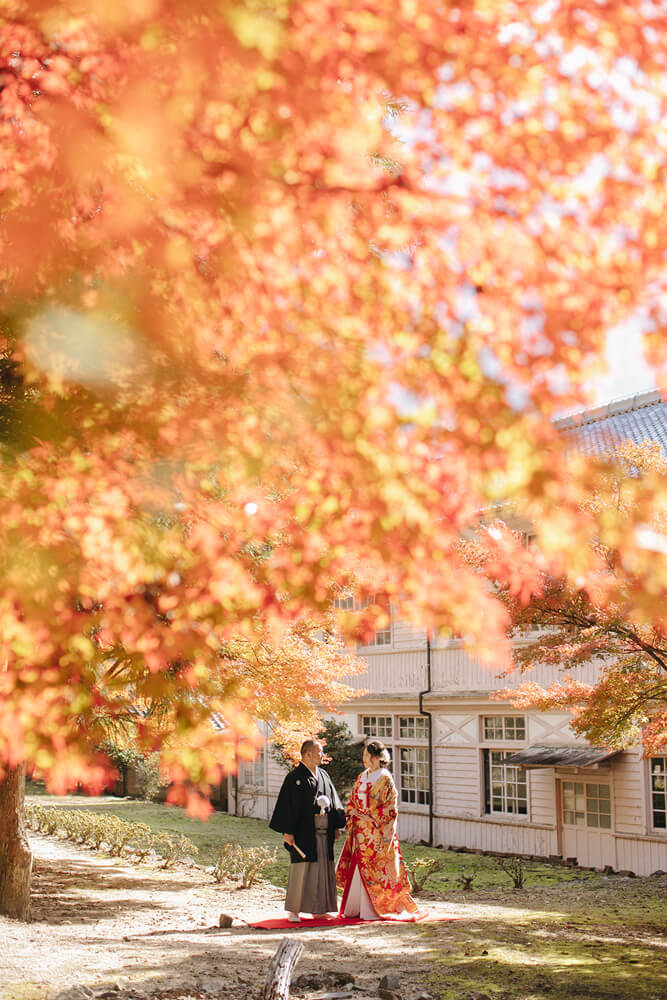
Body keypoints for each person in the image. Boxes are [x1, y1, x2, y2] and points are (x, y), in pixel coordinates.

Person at [336, 740, 419, 919]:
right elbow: (353, 801)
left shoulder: (384, 778)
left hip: (377, 832)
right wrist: (354, 813)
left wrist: (370, 818)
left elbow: (390, 807)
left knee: (379, 870)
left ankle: (378, 908)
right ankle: (357, 907)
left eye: (368, 755)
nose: (365, 759)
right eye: (364, 755)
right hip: (360, 831)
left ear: (377, 757)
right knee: (359, 868)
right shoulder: (362, 776)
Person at [269, 738, 346, 922]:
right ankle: (294, 910)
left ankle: (319, 909)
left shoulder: (324, 776)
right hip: (303, 831)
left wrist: (335, 825)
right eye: (319, 752)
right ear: (308, 754)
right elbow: (287, 806)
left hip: (323, 830)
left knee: (322, 868)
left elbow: (334, 802)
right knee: (302, 868)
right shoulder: (294, 778)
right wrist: (287, 831)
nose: (322, 755)